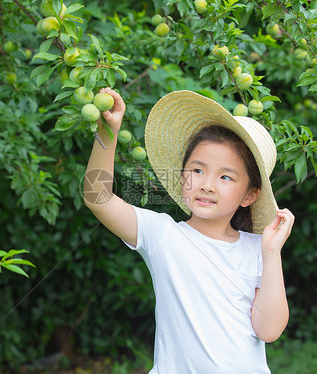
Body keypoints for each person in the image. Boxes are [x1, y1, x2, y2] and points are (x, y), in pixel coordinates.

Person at [84, 88, 295, 373]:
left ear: (249, 195)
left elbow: (268, 330)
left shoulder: (257, 248)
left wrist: (271, 253)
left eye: (225, 176)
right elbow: (98, 198)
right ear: (182, 175)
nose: (207, 184)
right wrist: (107, 133)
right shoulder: (163, 235)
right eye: (197, 170)